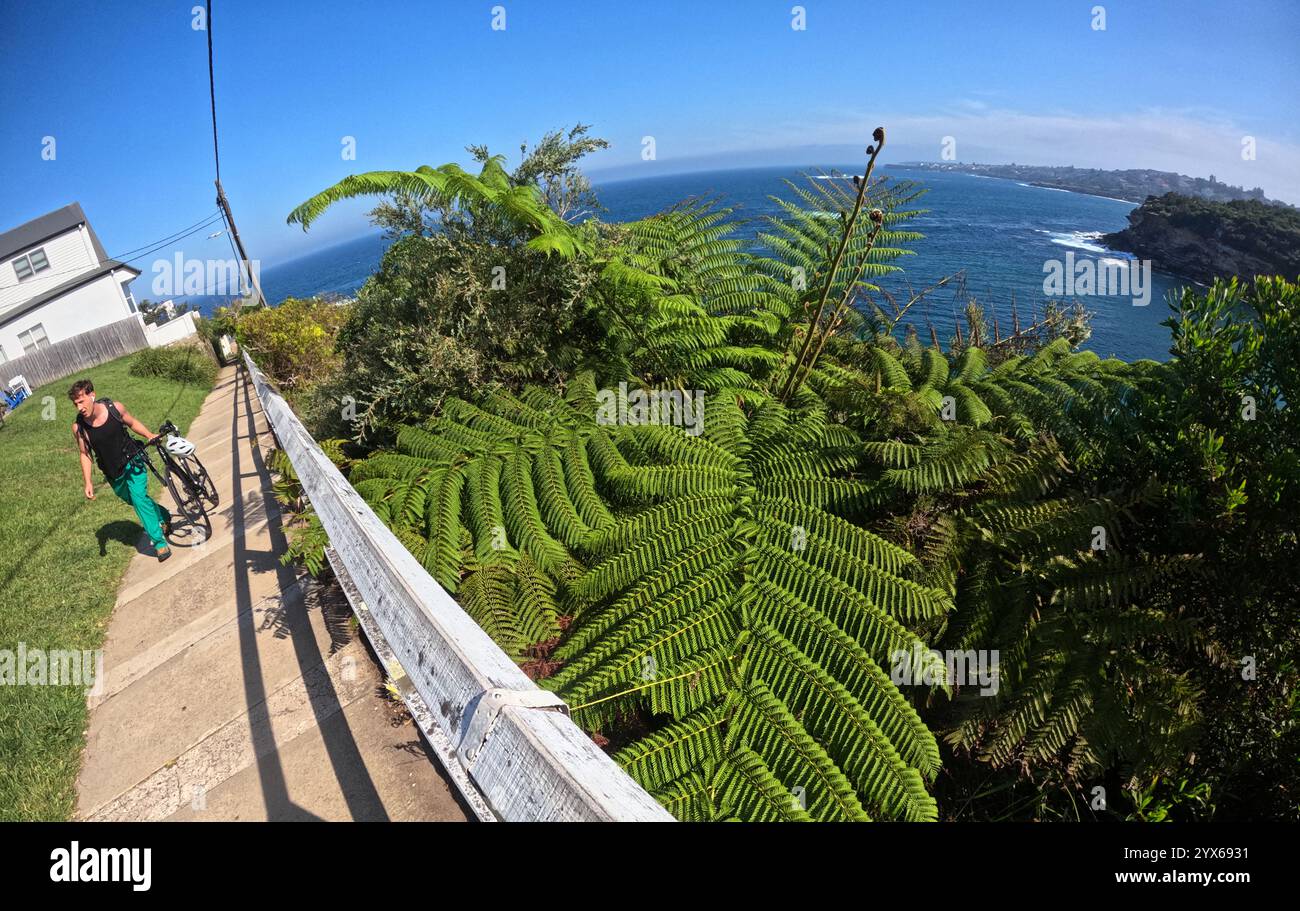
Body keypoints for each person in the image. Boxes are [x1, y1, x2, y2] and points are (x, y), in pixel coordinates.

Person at [69, 378, 173, 561]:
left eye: (81, 401)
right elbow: (85, 454)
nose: (79, 408)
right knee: (135, 500)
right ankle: (163, 515)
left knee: (139, 499)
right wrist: (88, 482)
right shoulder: (79, 428)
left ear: (92, 396)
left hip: (133, 461)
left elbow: (132, 423)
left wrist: (149, 435)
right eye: (75, 404)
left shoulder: (114, 408)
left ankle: (159, 544)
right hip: (113, 473)